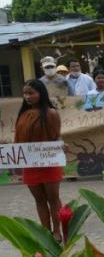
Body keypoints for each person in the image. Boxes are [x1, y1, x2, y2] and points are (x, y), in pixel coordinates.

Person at [15, 79, 63, 242]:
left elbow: (56, 137)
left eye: (31, 93)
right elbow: (18, 141)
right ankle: (45, 232)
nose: (27, 97)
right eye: (25, 93)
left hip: (48, 162)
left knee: (53, 198)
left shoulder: (51, 113)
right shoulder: (22, 115)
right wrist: (15, 160)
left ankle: (57, 231)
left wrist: (61, 146)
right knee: (39, 200)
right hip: (30, 164)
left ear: (40, 93)